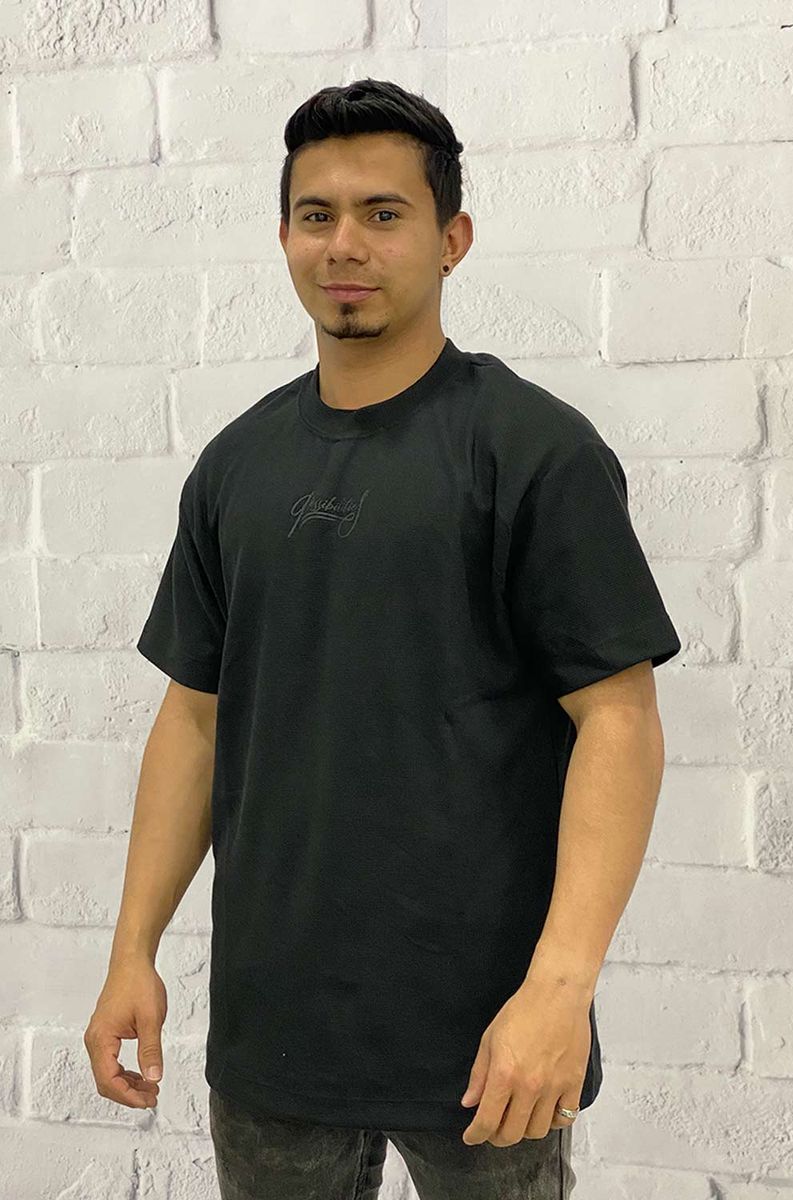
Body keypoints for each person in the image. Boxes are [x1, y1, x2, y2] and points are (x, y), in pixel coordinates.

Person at [84, 77, 681, 1199]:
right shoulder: (236, 466)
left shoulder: (532, 451)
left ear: (452, 239)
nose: (345, 244)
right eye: (317, 214)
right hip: (272, 1041)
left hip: (489, 1044)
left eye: (384, 213)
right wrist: (132, 952)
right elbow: (195, 722)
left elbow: (620, 719)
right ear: (283, 236)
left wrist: (559, 990)